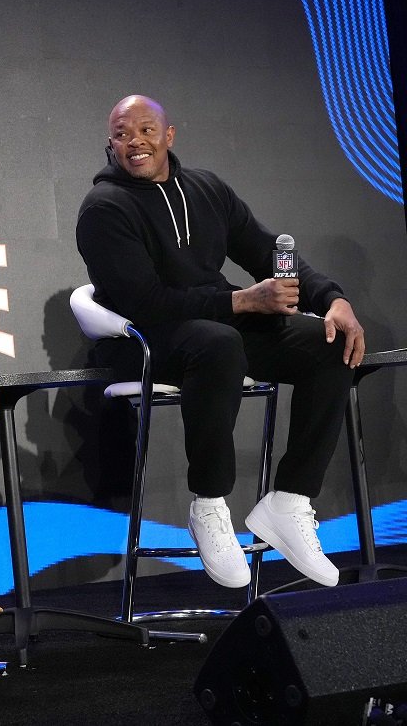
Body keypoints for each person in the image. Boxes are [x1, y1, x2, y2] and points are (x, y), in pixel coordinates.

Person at [76, 94, 365, 589]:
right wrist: (242, 303)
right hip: (142, 341)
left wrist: (333, 299)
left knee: (326, 341)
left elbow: (268, 250)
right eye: (123, 135)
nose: (136, 143)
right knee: (218, 343)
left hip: (212, 327)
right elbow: (145, 303)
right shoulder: (104, 208)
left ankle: (290, 501)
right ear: (111, 144)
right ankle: (209, 506)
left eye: (146, 131)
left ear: (169, 136)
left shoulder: (206, 189)